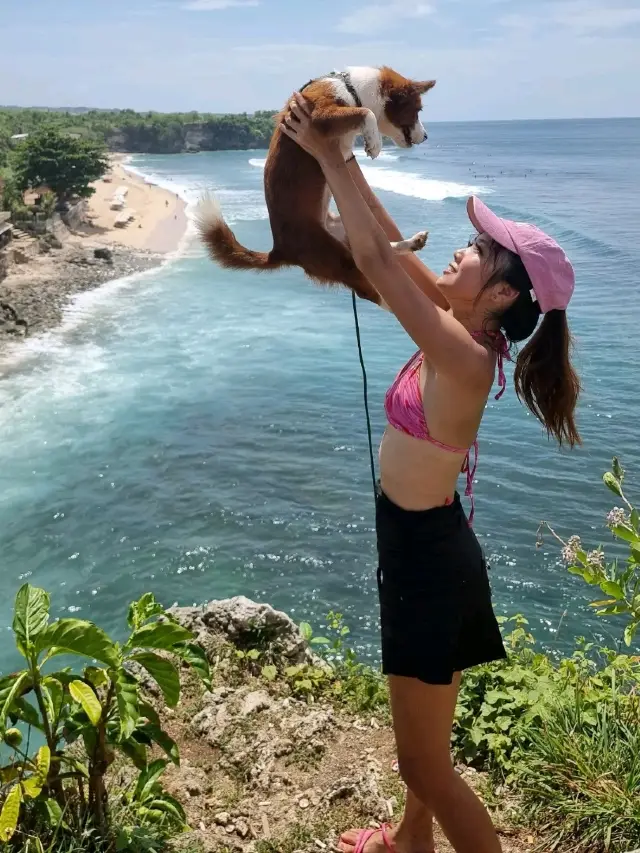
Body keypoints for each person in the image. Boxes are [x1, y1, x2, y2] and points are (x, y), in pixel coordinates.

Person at [281, 93, 580, 853]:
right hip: (424, 548)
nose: (460, 249)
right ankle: (408, 843)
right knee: (422, 742)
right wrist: (338, 166)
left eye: (478, 252)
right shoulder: (456, 327)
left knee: (422, 759)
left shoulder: (465, 356)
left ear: (503, 294)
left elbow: (379, 261)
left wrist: (330, 155)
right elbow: (382, 241)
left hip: (428, 562)